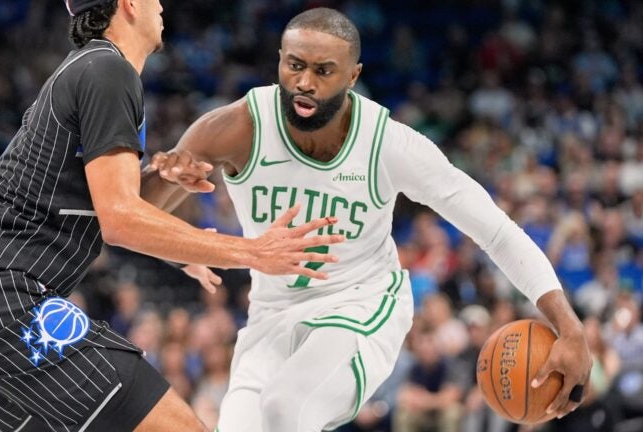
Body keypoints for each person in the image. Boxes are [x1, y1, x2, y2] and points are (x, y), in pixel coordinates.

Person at [144, 7, 593, 431]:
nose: (304, 82)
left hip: (362, 305)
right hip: (271, 314)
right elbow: (128, 216)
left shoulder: (390, 144)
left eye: (323, 71)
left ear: (353, 76)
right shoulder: (234, 127)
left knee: (285, 407)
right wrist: (165, 178)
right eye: (295, 65)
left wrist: (570, 327)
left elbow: (496, 232)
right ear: (279, 60)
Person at [0, 0, 343, 431]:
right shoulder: (107, 71)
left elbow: (112, 205)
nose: (161, 6)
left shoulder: (93, 69)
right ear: (129, 4)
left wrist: (167, 183)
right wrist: (251, 251)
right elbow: (119, 219)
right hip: (1, 298)